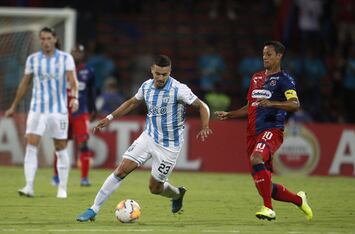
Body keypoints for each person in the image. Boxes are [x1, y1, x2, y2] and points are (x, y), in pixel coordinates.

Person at [76, 55, 212, 222]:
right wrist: (109, 118)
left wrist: (205, 126)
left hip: (169, 146)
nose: (161, 78)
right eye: (157, 73)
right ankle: (93, 209)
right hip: (148, 137)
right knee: (121, 170)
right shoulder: (146, 86)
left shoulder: (179, 89)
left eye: (165, 74)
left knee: (154, 188)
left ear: (170, 72)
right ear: (152, 70)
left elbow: (202, 106)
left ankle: (177, 194)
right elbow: (132, 102)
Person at [215, 41, 313, 221]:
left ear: (279, 56)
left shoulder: (285, 80)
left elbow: (295, 104)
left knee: (256, 158)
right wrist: (230, 114)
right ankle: (299, 200)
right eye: (263, 54)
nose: (265, 58)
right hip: (252, 133)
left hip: (271, 129)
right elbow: (250, 106)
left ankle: (268, 208)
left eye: (269, 54)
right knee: (265, 185)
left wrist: (273, 103)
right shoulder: (256, 78)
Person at [5, 27, 79, 198]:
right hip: (37, 109)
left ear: (54, 39)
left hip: (59, 110)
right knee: (31, 145)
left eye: (48, 38)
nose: (45, 42)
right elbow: (25, 83)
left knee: (60, 148)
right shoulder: (33, 59)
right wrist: (14, 105)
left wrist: (74, 98)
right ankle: (29, 186)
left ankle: (62, 188)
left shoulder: (65, 58)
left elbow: (73, 81)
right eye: (42, 39)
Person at [52, 44, 97, 187]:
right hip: (63, 112)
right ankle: (56, 177)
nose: (76, 55)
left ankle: (84, 178)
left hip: (81, 112)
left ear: (83, 55)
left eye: (79, 52)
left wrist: (93, 108)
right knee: (61, 144)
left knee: (83, 143)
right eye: (74, 52)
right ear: (70, 53)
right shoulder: (61, 70)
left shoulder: (88, 71)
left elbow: (91, 92)